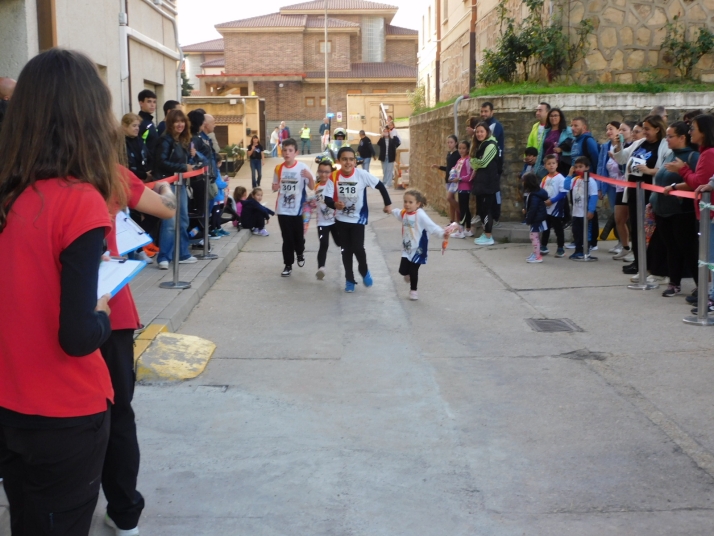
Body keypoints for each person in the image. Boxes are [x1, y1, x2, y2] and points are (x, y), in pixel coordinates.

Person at [0, 48, 119, 536]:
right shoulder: (79, 203)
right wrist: (102, 311)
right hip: (66, 412)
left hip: (10, 406)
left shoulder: (10, 196)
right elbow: (77, 336)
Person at [323, 146, 392, 292]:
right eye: (344, 159)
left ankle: (364, 270)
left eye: (351, 159)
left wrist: (388, 204)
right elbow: (327, 198)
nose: (348, 162)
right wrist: (335, 204)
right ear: (338, 161)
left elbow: (380, 186)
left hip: (358, 219)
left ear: (355, 161)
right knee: (346, 250)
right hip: (341, 220)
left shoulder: (362, 174)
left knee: (358, 248)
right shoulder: (334, 177)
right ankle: (349, 280)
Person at [664, 114, 714, 311]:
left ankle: (709, 297)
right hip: (705, 214)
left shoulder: (709, 154)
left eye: (693, 128)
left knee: (709, 258)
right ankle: (708, 294)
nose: (690, 131)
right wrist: (677, 183)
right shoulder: (706, 152)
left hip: (709, 215)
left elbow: (700, 182)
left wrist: (682, 169)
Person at [611, 114, 670, 275]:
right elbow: (622, 158)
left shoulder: (665, 146)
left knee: (649, 229)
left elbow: (668, 169)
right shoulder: (639, 143)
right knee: (636, 227)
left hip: (650, 191)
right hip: (633, 190)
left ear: (658, 129)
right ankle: (638, 262)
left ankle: (650, 265)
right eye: (643, 128)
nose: (644, 132)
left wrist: (650, 171)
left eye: (647, 129)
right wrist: (617, 146)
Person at [649, 121, 700, 297]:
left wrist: (675, 187)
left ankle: (701, 285)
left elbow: (697, 182)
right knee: (671, 248)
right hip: (662, 210)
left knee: (688, 248)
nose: (667, 139)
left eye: (671, 136)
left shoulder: (693, 157)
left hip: (682, 211)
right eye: (667, 136)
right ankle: (674, 282)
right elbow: (661, 178)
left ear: (682, 137)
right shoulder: (670, 155)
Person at [153, 109, 201, 269]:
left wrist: (191, 158)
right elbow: (160, 162)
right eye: (176, 121)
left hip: (180, 184)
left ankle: (182, 254)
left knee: (183, 219)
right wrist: (183, 167)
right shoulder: (165, 141)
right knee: (170, 221)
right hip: (168, 185)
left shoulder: (182, 141)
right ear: (170, 123)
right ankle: (164, 257)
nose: (180, 124)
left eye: (182, 121)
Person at [390, 189, 450, 300]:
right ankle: (408, 275)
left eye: (410, 202)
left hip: (419, 249)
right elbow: (398, 213)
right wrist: (390, 210)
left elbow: (432, 227)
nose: (407, 204)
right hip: (407, 248)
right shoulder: (404, 213)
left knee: (414, 270)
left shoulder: (421, 215)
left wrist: (442, 234)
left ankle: (413, 291)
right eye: (405, 201)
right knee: (402, 271)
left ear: (418, 204)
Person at [272, 138, 314, 276]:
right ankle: (288, 264)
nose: (287, 153)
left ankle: (300, 252)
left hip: (298, 210)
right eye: (284, 150)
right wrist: (276, 186)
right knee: (287, 238)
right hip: (283, 209)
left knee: (298, 238)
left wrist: (311, 178)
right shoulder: (278, 168)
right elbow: (274, 187)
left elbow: (312, 187)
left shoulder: (302, 168)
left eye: (290, 150)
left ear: (296, 152)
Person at [570, 116, 600, 250]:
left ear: (584, 127)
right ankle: (579, 240)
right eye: (572, 125)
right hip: (578, 181)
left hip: (588, 180)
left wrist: (594, 177)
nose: (573, 128)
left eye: (576, 125)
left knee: (590, 211)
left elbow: (595, 158)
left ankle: (591, 241)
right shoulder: (575, 141)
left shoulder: (588, 140)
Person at [470, 120, 500, 246]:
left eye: (482, 131)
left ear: (487, 132)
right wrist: (475, 162)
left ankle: (488, 236)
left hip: (488, 183)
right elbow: (478, 162)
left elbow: (483, 163)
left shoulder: (491, 145)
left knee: (487, 209)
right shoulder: (482, 145)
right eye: (477, 132)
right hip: (482, 182)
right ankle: (485, 232)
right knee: (481, 209)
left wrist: (473, 162)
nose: (479, 134)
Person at [564, 156, 599, 260]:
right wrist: (570, 174)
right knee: (576, 232)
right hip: (576, 212)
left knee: (586, 232)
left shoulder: (591, 181)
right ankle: (578, 250)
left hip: (585, 213)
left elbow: (593, 196)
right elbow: (566, 186)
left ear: (587, 167)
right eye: (576, 167)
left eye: (581, 166)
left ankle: (586, 250)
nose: (578, 169)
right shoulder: (575, 179)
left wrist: (591, 210)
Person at [596, 121, 623, 251]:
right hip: (611, 185)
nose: (608, 132)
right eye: (607, 129)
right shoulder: (605, 146)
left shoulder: (624, 145)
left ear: (619, 130)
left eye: (611, 129)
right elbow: (601, 166)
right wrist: (600, 187)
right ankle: (620, 242)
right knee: (615, 213)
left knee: (621, 216)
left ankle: (624, 242)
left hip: (623, 185)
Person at [314, 159, 340, 280]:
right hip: (322, 222)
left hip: (335, 221)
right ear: (318, 172)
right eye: (321, 171)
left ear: (331, 172)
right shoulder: (316, 187)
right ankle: (321, 268)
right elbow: (315, 202)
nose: (324, 174)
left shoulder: (334, 184)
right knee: (323, 244)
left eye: (327, 172)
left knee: (339, 242)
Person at [479, 102, 504, 225]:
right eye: (482, 111)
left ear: (492, 112)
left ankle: (495, 214)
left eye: (486, 111)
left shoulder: (496, 125)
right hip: (486, 164)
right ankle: (485, 215)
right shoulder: (484, 125)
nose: (483, 114)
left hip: (495, 162)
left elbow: (489, 140)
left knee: (494, 189)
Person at [539, 154, 567, 257]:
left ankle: (560, 248)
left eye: (553, 163)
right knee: (545, 228)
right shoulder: (544, 179)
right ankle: (543, 246)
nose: (551, 165)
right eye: (549, 164)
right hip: (545, 209)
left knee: (558, 229)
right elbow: (540, 191)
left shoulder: (560, 178)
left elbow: (563, 193)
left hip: (556, 208)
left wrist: (552, 200)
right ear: (545, 166)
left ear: (557, 164)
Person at [534, 107, 574, 177]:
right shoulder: (546, 131)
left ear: (560, 117)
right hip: (547, 165)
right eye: (551, 116)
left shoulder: (567, 130)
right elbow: (543, 150)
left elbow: (573, 144)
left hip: (562, 165)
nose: (553, 118)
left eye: (555, 115)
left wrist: (562, 149)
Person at [431, 134, 460, 224]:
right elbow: (448, 167)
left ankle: (461, 214)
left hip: (454, 179)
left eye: (451, 142)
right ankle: (452, 221)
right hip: (448, 179)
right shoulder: (449, 154)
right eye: (448, 142)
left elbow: (458, 167)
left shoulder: (457, 154)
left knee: (449, 198)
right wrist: (439, 167)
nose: (449, 144)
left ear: (456, 143)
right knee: (451, 201)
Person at [522, 172, 549, 263]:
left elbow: (533, 209)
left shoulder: (534, 195)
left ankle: (537, 256)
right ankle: (536, 253)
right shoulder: (535, 193)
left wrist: (528, 219)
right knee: (535, 236)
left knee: (534, 237)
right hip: (537, 218)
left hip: (536, 219)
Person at [451, 140, 474, 239]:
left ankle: (461, 230)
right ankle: (468, 229)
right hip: (460, 187)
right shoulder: (460, 160)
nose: (461, 150)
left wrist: (460, 179)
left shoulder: (468, 160)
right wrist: (452, 176)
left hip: (465, 187)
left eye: (464, 148)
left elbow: (470, 175)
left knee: (463, 209)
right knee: (465, 208)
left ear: (468, 149)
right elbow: (454, 169)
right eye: (460, 148)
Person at [137, 89, 159, 155]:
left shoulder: (150, 121)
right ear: (141, 103)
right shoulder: (139, 122)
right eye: (149, 102)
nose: (152, 105)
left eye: (154, 102)